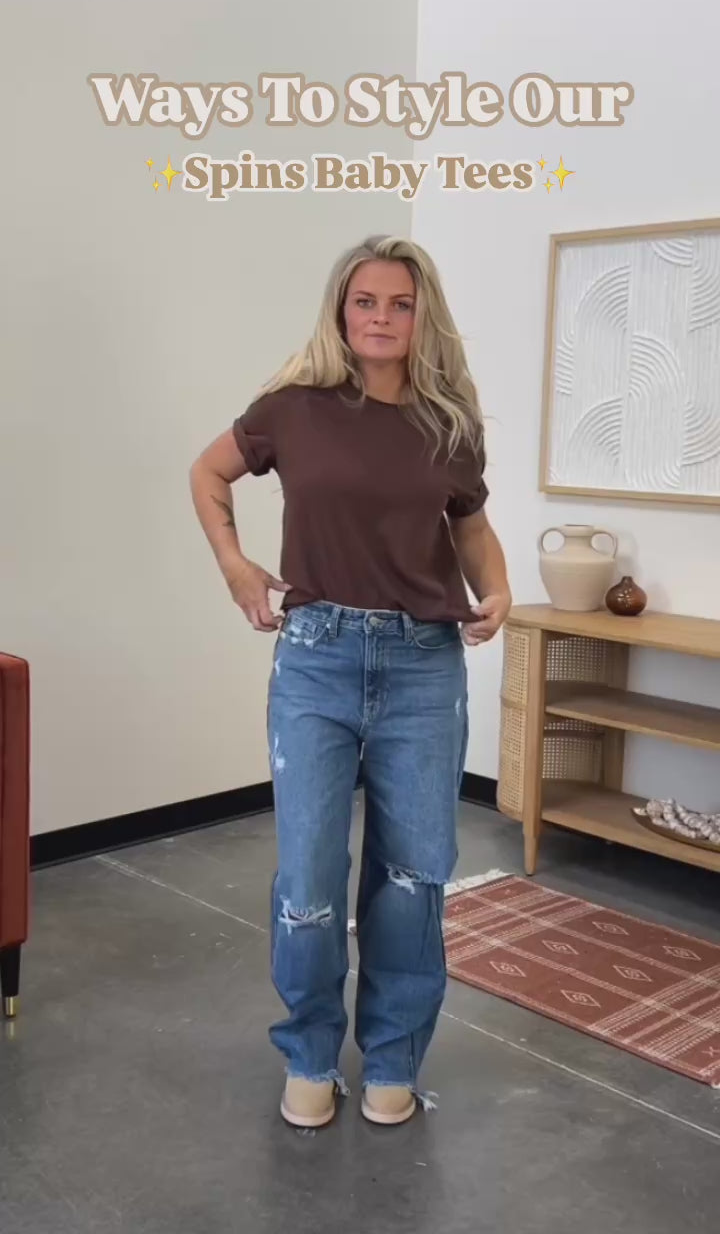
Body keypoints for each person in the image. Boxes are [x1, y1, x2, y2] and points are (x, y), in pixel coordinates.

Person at [189, 235, 511, 1130]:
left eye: (400, 303)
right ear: (341, 309)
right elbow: (207, 471)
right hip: (316, 660)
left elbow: (470, 525)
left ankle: (394, 1057)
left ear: (422, 315)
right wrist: (236, 567)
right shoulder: (292, 408)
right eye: (365, 301)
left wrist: (499, 588)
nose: (381, 317)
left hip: (424, 665)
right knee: (309, 877)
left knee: (413, 876)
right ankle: (309, 1052)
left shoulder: (450, 422)